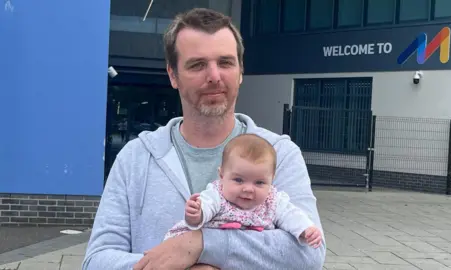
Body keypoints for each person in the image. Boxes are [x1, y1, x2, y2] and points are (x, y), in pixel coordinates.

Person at [82, 7, 326, 270]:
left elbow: (309, 255)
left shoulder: (280, 154)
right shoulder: (136, 158)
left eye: (225, 62)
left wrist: (202, 245)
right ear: (173, 75)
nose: (214, 76)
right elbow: (97, 260)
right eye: (197, 65)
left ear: (241, 71)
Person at [163, 133, 323, 249]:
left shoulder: (273, 201)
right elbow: (207, 206)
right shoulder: (217, 194)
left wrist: (305, 229)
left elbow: (291, 215)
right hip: (203, 252)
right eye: (238, 180)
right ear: (222, 175)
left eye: (259, 182)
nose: (248, 189)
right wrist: (196, 214)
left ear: (271, 180)